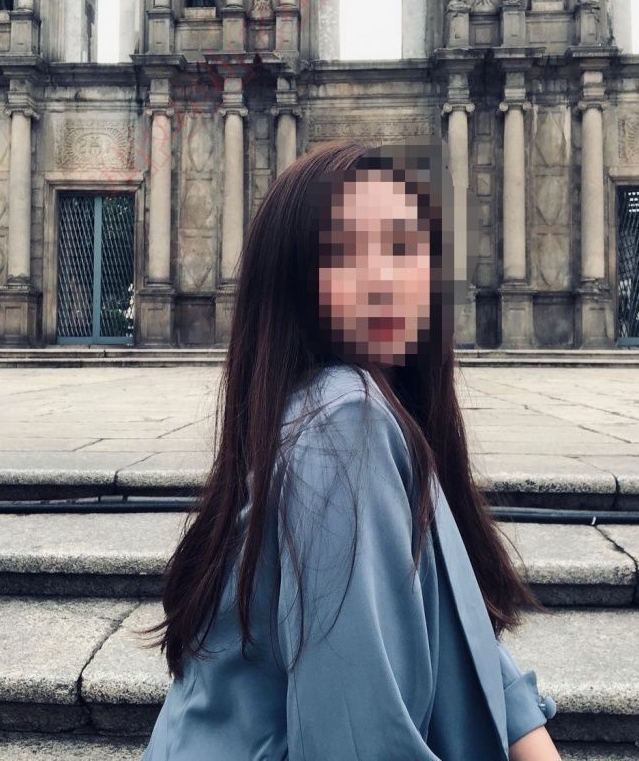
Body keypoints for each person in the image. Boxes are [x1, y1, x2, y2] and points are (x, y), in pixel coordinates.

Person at [135, 138, 560, 760]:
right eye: (344, 253)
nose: (384, 279)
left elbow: (460, 631)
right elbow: (360, 740)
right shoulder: (342, 418)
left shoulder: (358, 412)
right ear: (293, 283)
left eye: (404, 248)